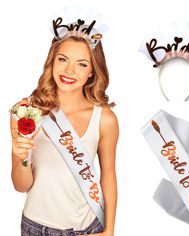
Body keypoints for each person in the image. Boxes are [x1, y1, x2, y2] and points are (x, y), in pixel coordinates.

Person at [10, 15, 118, 236]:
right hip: (35, 227)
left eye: (82, 64)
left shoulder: (105, 119)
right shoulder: (26, 111)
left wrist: (109, 230)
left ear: (92, 72)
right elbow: (21, 186)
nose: (69, 71)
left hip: (87, 228)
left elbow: (108, 174)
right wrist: (21, 156)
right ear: (52, 61)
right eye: (63, 59)